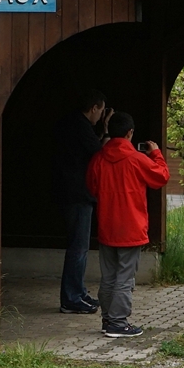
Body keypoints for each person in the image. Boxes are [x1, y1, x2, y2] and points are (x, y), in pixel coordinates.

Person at [85, 112, 170, 338]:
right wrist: (156, 154)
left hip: (107, 226)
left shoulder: (99, 159)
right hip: (131, 227)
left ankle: (107, 319)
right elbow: (161, 177)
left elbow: (92, 186)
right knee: (125, 278)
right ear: (130, 133)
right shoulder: (136, 159)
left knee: (109, 276)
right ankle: (118, 322)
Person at [52, 90, 112, 314]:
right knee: (78, 248)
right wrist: (107, 130)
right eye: (101, 110)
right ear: (94, 108)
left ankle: (78, 291)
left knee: (79, 247)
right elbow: (99, 153)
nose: (101, 115)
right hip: (78, 194)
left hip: (70, 192)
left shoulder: (72, 123)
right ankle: (71, 298)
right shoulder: (80, 125)